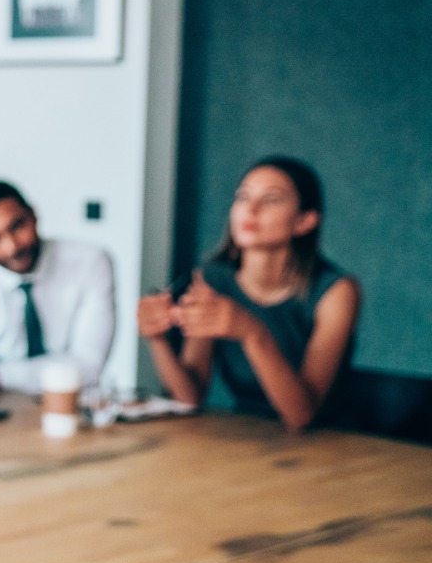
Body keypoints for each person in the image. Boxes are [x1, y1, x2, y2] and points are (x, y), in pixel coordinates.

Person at [139, 156, 359, 432]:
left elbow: (301, 416)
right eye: (242, 197)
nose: (250, 209)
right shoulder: (212, 279)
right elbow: (190, 398)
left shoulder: (337, 292)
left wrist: (251, 332)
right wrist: (156, 338)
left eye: (271, 199)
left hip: (334, 443)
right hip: (248, 435)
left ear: (304, 221)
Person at [0, 180, 116, 394]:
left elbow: (89, 366)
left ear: (34, 215)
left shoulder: (90, 261)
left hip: (72, 403)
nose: (11, 247)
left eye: (17, 226)